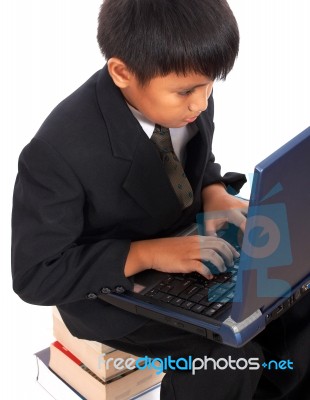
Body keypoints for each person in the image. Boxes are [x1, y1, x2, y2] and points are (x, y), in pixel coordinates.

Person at [11, 0, 309, 399]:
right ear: (121, 72)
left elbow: (188, 162)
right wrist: (150, 254)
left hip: (187, 238)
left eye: (209, 86)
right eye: (187, 91)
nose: (201, 103)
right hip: (111, 287)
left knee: (298, 299)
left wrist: (214, 192)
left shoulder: (187, 100)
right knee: (224, 360)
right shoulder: (58, 151)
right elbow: (36, 274)